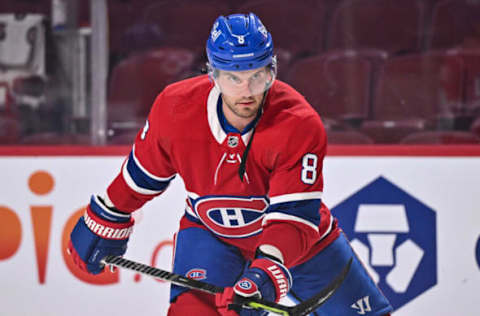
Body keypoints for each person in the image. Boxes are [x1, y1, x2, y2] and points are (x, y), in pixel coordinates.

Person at [68, 12, 393, 316]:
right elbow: (142, 175)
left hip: (301, 246)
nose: (246, 91)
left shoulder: (298, 122)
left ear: (272, 70)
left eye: (257, 76)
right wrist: (107, 214)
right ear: (212, 73)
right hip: (211, 235)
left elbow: (292, 219)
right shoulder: (175, 109)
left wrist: (265, 273)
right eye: (233, 78)